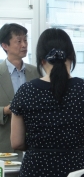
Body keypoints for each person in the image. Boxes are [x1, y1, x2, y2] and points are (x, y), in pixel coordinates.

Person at [10, 28, 84, 177]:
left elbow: (16, 142)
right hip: (76, 169)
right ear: (72, 56)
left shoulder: (26, 91)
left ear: (41, 59)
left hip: (35, 169)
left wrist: (38, 147)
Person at [0, 23, 40, 155]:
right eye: (18, 41)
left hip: (33, 144)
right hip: (4, 145)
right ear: (5, 46)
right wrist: (5, 110)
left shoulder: (36, 72)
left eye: (25, 40)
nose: (24, 45)